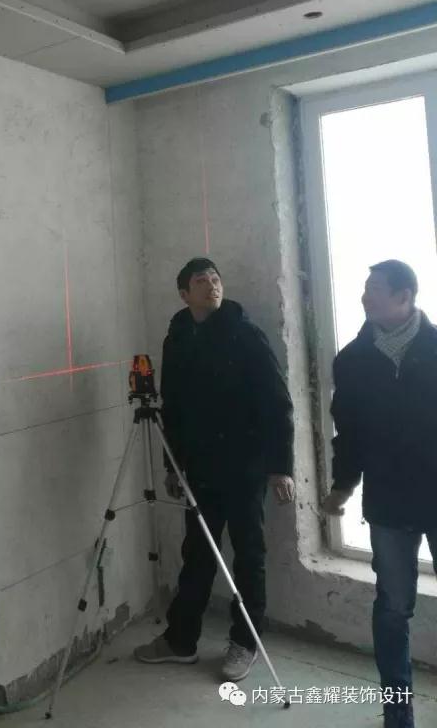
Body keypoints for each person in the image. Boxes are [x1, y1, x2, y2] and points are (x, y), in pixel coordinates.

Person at [134, 257, 295, 680]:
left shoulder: (245, 334)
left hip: (245, 467)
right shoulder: (177, 339)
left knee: (248, 556)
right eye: (201, 281)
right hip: (201, 468)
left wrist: (281, 467)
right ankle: (181, 640)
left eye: (215, 278)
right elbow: (173, 407)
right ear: (184, 294)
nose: (212, 285)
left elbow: (277, 403)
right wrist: (173, 467)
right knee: (198, 554)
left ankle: (246, 642)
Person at [323, 260, 437, 728]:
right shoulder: (353, 360)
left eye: (375, 289)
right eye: (364, 288)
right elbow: (348, 434)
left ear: (404, 297)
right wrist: (341, 486)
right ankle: (397, 709)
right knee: (392, 608)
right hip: (388, 500)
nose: (365, 297)